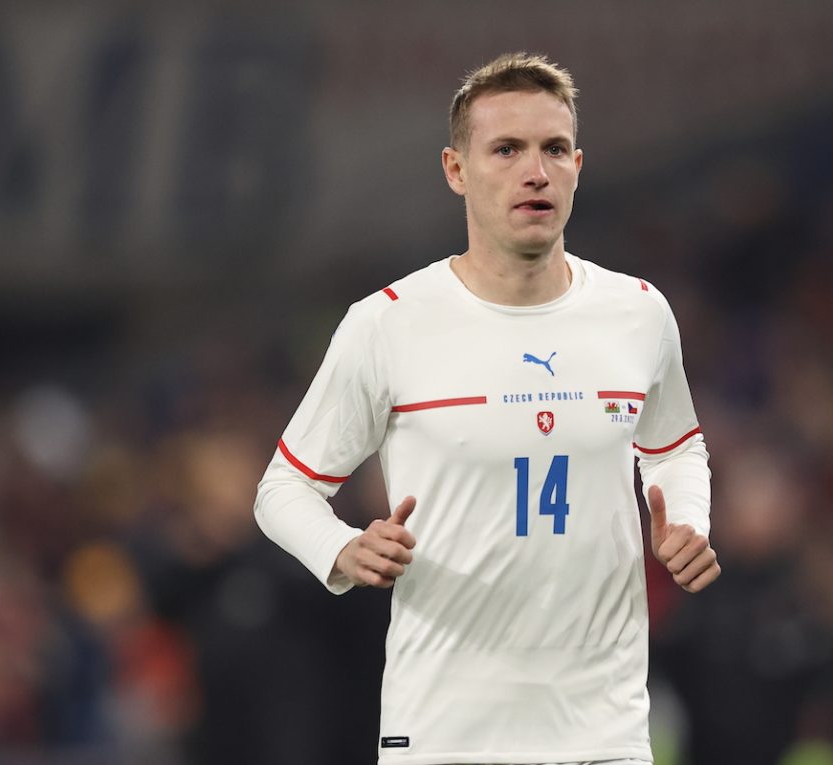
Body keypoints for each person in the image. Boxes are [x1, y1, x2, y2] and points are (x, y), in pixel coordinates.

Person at [254, 52, 720, 765]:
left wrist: (687, 518)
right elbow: (284, 488)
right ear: (456, 170)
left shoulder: (638, 312)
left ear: (578, 167)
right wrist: (342, 548)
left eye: (554, 149)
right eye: (506, 149)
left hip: (604, 732)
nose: (535, 171)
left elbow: (676, 447)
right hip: (446, 734)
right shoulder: (388, 324)